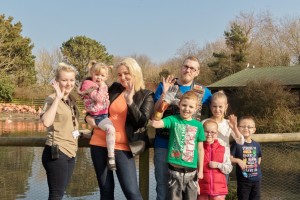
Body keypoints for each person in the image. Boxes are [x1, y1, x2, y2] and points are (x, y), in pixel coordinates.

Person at [86, 57, 154, 200]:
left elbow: (141, 122)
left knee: (131, 192)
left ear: (135, 72)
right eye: (119, 74)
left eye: (126, 73)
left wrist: (130, 102)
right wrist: (87, 117)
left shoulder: (146, 95)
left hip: (123, 148)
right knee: (106, 189)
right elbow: (96, 106)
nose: (122, 77)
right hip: (99, 143)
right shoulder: (114, 89)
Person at [153, 56, 212, 200]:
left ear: (197, 72)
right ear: (181, 68)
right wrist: (164, 94)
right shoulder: (166, 85)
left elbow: (217, 109)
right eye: (186, 66)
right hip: (163, 143)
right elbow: (154, 112)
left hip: (188, 150)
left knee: (185, 191)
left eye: (192, 68)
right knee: (162, 185)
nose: (188, 70)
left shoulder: (204, 92)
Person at [150, 91, 206, 200]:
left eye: (191, 106)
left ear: (196, 108)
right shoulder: (173, 119)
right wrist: (164, 104)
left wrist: (201, 170)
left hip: (191, 171)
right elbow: (155, 123)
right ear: (179, 104)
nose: (186, 109)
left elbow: (200, 149)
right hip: (174, 170)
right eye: (184, 105)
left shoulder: (198, 126)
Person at [40, 62, 80, 200]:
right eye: (64, 80)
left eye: (71, 80)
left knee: (60, 193)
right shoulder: (52, 98)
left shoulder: (71, 99)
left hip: (71, 152)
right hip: (57, 152)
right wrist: (58, 97)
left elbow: (70, 125)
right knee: (56, 195)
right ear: (57, 81)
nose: (68, 84)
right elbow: (46, 122)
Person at [78, 60, 116, 171]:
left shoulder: (99, 86)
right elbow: (98, 98)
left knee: (104, 130)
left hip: (102, 116)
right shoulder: (89, 85)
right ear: (92, 73)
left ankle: (81, 134)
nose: (99, 78)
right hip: (98, 116)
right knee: (110, 129)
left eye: (102, 76)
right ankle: (111, 157)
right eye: (97, 75)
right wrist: (103, 86)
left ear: (107, 76)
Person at [202, 90, 244, 182]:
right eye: (214, 106)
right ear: (210, 106)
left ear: (226, 107)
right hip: (207, 160)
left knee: (220, 191)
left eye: (220, 107)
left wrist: (235, 128)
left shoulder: (228, 123)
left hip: (223, 162)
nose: (217, 109)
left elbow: (240, 141)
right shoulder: (204, 122)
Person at [198, 119, 232, 200]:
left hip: (218, 190)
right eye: (206, 131)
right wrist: (196, 185)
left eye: (212, 132)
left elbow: (229, 168)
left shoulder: (223, 149)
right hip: (202, 189)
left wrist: (218, 165)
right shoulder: (198, 148)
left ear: (217, 133)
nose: (209, 134)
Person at [230, 116, 262, 200]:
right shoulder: (237, 144)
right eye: (243, 126)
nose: (246, 128)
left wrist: (256, 166)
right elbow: (229, 158)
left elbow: (259, 157)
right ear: (238, 128)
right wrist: (238, 160)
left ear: (254, 130)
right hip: (243, 181)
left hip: (256, 180)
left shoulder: (257, 145)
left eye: (249, 127)